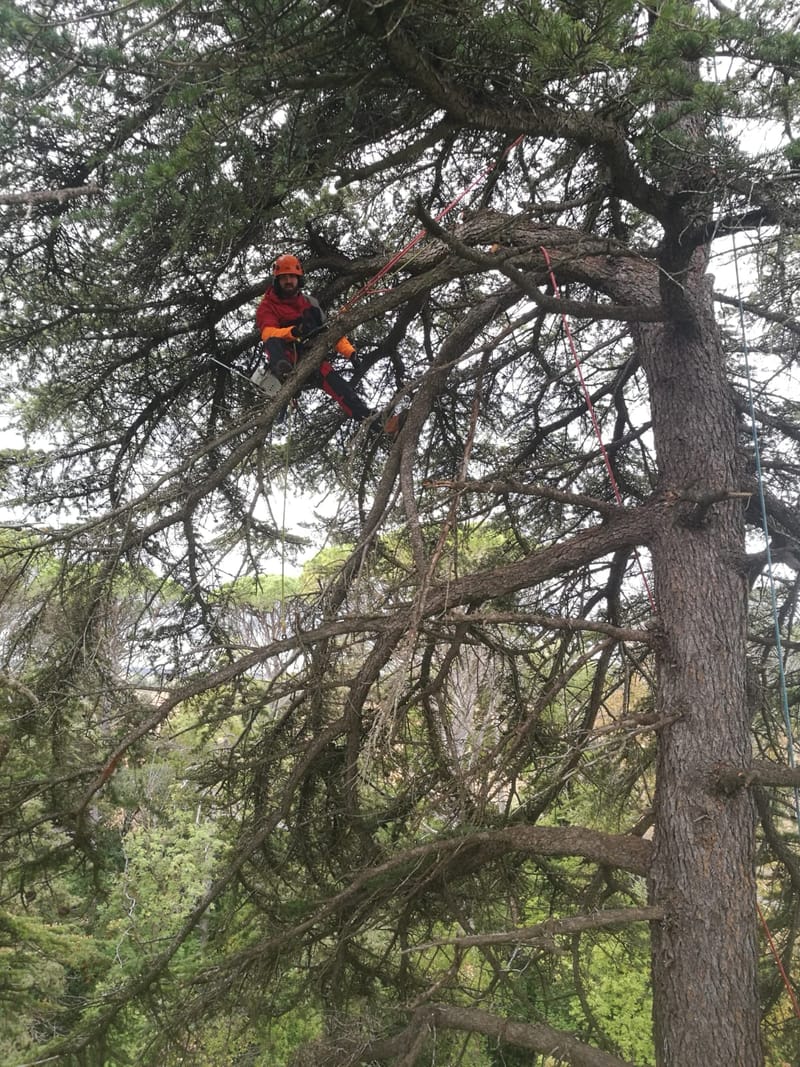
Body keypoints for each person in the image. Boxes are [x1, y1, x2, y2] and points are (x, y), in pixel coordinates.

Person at [256, 253, 397, 434]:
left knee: (344, 391)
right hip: (284, 356)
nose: (288, 281)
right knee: (272, 341)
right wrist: (292, 332)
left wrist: (350, 353)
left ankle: (381, 424)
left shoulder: (310, 304)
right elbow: (268, 332)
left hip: (312, 357)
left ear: (299, 279)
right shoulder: (267, 305)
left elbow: (330, 332)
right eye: (284, 278)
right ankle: (283, 372)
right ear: (277, 281)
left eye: (292, 277)